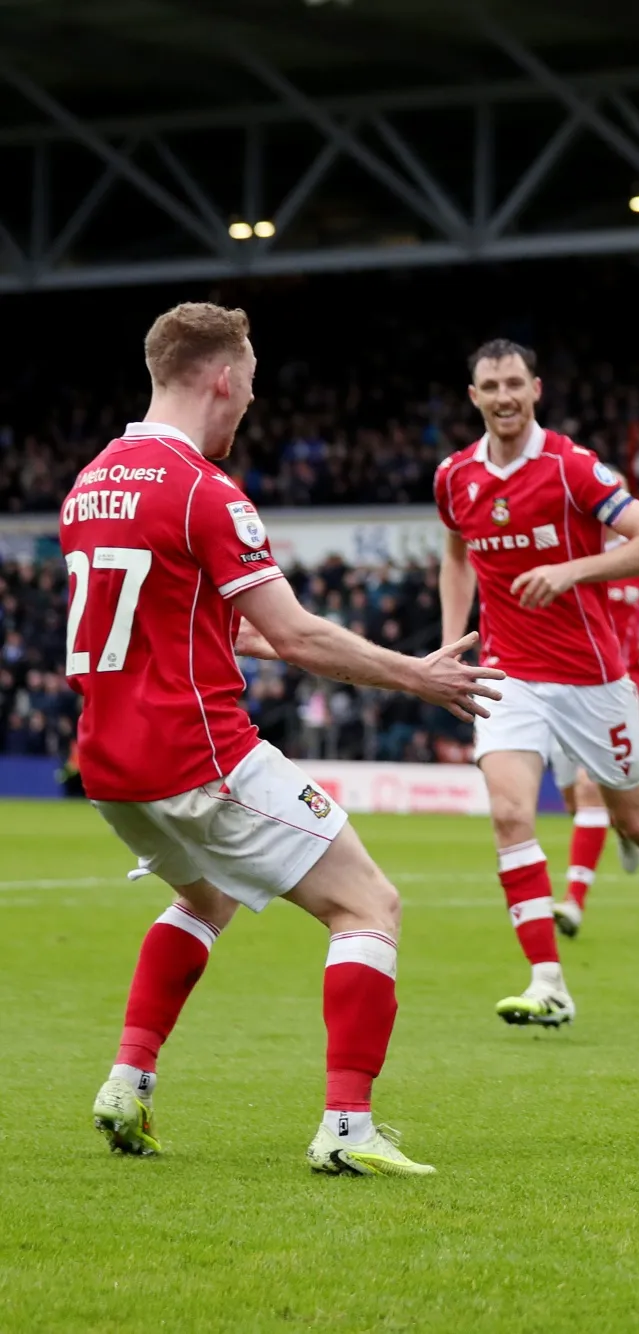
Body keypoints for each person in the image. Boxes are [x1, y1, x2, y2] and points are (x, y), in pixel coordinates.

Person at [73, 302, 502, 1176]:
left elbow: (188, 623)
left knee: (205, 899)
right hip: (199, 755)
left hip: (111, 766)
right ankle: (347, 1126)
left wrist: (290, 645)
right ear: (222, 378)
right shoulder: (204, 490)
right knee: (369, 905)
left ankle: (129, 1080)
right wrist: (419, 675)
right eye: (252, 387)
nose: (251, 406)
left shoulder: (92, 481)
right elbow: (299, 633)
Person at [438, 339, 639, 1028]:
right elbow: (455, 555)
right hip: (509, 674)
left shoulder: (571, 467)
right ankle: (548, 982)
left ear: (535, 389)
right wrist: (452, 643)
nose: (503, 396)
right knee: (510, 813)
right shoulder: (453, 478)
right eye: (489, 386)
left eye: (514, 383)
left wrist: (571, 572)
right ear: (473, 396)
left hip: (594, 681)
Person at [550, 511, 639, 939]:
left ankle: (573, 901)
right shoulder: (563, 555)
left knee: (589, 791)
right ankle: (626, 820)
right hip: (560, 686)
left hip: (616, 689)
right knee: (574, 801)